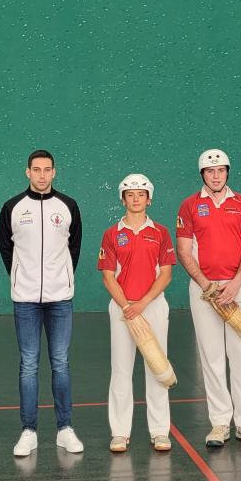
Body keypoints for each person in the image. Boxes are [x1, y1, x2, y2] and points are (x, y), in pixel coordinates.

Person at [0, 149, 84, 457]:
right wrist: (23, 277)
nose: (42, 175)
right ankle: (28, 431)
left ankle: (65, 429)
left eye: (47, 169)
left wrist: (61, 278)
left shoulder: (68, 206)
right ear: (28, 172)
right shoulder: (12, 207)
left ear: (54, 172)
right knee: (29, 364)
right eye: (37, 169)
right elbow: (6, 249)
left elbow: (74, 247)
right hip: (25, 300)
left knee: (60, 362)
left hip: (60, 299)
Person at [176, 149, 241, 448]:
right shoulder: (189, 205)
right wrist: (206, 285)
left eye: (221, 170)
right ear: (202, 174)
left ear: (227, 172)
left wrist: (236, 283)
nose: (216, 176)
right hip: (204, 291)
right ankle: (220, 423)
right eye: (210, 171)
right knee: (211, 358)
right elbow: (184, 250)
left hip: (238, 287)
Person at [98, 174, 176, 453]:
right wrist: (127, 306)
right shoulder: (111, 234)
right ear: (123, 199)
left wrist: (143, 303)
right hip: (122, 308)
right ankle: (120, 432)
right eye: (130, 194)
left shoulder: (161, 232)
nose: (135, 199)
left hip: (152, 306)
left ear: (149, 199)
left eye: (141, 194)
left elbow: (166, 274)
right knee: (121, 370)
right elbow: (108, 276)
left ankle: (160, 431)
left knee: (157, 367)